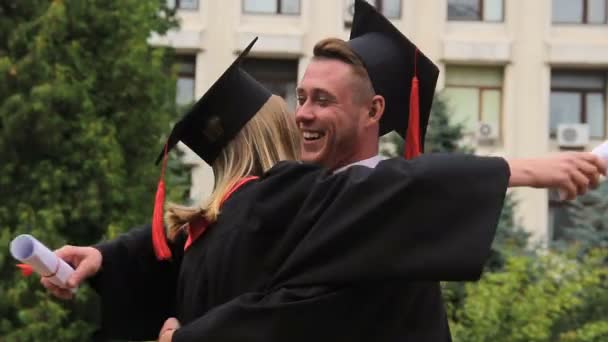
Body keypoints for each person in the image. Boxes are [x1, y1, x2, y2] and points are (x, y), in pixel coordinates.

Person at [40, 5, 604, 342]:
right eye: (300, 97)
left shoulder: (390, 209)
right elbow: (209, 237)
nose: (302, 113)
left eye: (323, 101)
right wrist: (107, 258)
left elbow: (297, 311)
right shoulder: (290, 196)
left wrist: (523, 168)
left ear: (374, 111)